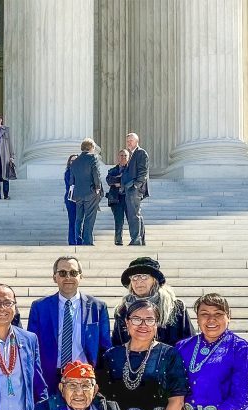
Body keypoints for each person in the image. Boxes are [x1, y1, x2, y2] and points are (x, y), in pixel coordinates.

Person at [27, 256, 112, 392]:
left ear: (80, 276)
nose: (68, 277)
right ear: (55, 277)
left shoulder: (98, 307)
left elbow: (105, 347)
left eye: (73, 273)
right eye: (62, 273)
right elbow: (32, 347)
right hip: (50, 377)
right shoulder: (39, 307)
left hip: (84, 378)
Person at [112, 257, 195, 347]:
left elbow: (188, 340)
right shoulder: (122, 309)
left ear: (154, 280)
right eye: (134, 277)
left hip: (169, 359)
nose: (139, 281)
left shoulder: (175, 307)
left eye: (144, 276)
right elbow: (117, 343)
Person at [68, 139, 103, 246]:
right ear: (91, 147)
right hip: (90, 192)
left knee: (79, 218)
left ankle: (78, 239)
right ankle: (87, 241)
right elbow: (96, 174)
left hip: (78, 194)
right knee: (89, 217)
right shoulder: (93, 158)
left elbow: (71, 180)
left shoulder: (75, 161)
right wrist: (98, 187)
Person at [122, 133, 150, 245]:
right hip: (130, 188)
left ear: (137, 141)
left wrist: (136, 185)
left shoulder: (141, 153)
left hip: (135, 189)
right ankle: (140, 240)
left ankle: (136, 239)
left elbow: (143, 171)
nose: (129, 143)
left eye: (131, 140)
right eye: (127, 141)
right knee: (136, 214)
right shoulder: (132, 154)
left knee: (133, 215)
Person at [105, 149, 130, 245]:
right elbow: (109, 181)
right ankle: (118, 240)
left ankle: (135, 239)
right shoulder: (112, 170)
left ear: (128, 158)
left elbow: (130, 180)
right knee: (118, 221)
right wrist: (121, 178)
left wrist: (120, 181)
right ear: (118, 157)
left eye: (125, 156)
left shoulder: (131, 170)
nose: (123, 157)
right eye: (121, 155)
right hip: (116, 199)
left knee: (131, 220)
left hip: (128, 198)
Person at [62, 154, 79, 246]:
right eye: (72, 161)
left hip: (80, 199)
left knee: (79, 220)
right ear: (69, 162)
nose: (73, 162)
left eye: (76, 160)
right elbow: (70, 184)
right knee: (72, 220)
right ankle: (72, 241)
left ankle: (79, 240)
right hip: (71, 199)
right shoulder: (68, 172)